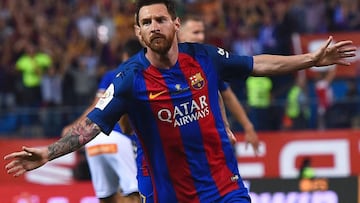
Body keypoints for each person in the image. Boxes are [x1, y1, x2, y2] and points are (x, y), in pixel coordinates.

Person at [4, 0, 356, 202]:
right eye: (146, 22)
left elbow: (259, 63)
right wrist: (48, 153)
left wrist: (311, 59)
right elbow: (91, 125)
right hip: (170, 195)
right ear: (139, 33)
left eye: (160, 19)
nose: (154, 26)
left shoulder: (205, 57)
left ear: (175, 23)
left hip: (223, 187)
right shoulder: (129, 79)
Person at [60, 39, 142, 203]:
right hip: (122, 139)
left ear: (124, 55)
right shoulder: (145, 73)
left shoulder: (111, 75)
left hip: (95, 140)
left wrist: (74, 126)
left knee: (106, 196)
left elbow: (97, 106)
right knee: (134, 193)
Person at [178, 14, 259, 152]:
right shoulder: (163, 65)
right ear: (179, 33)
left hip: (209, 140)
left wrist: (247, 126)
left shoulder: (206, 62)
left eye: (202, 32)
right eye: (195, 32)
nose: (201, 37)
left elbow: (226, 95)